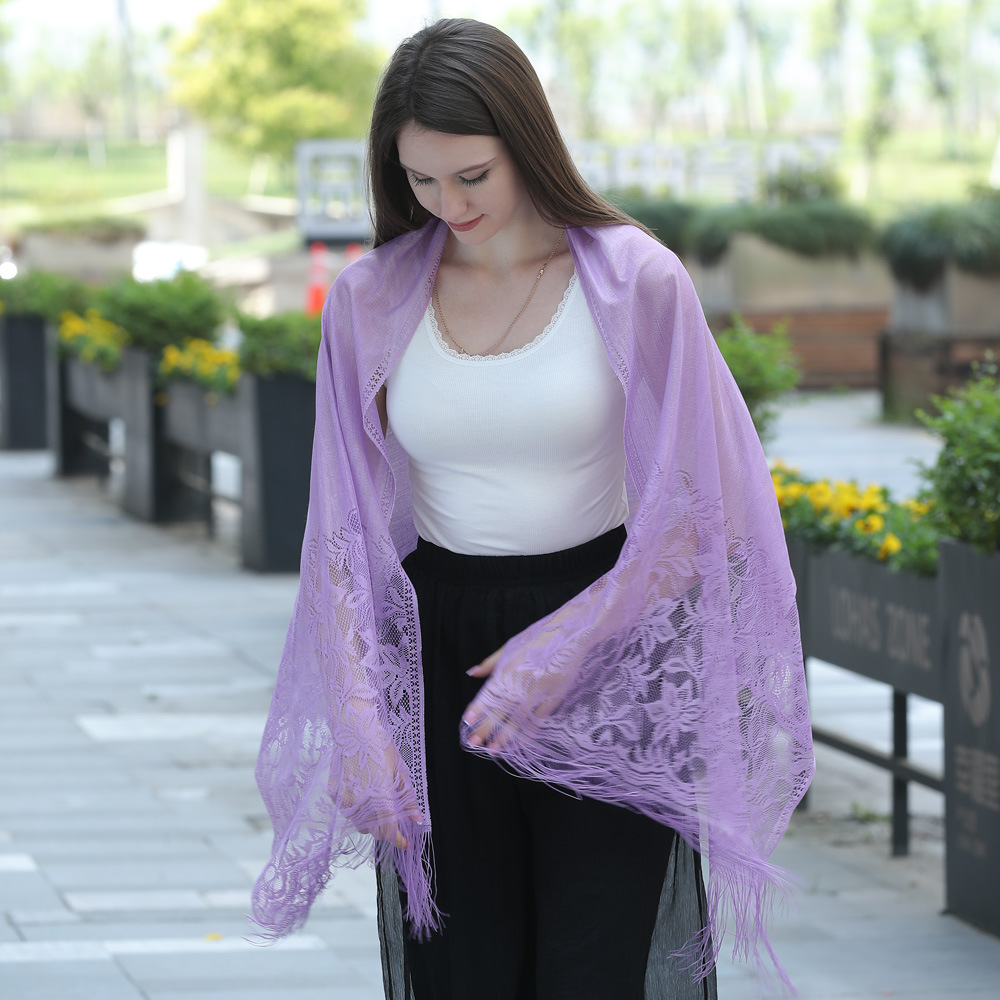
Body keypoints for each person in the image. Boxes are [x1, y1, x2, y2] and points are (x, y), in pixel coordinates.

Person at [250, 18, 814, 1000]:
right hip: (438, 655)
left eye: (472, 175)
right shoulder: (369, 299)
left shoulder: (635, 279)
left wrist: (568, 640)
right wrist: (361, 721)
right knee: (461, 972)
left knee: (593, 973)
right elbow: (341, 533)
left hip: (610, 641)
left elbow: (710, 508)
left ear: (526, 140)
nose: (450, 204)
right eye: (423, 180)